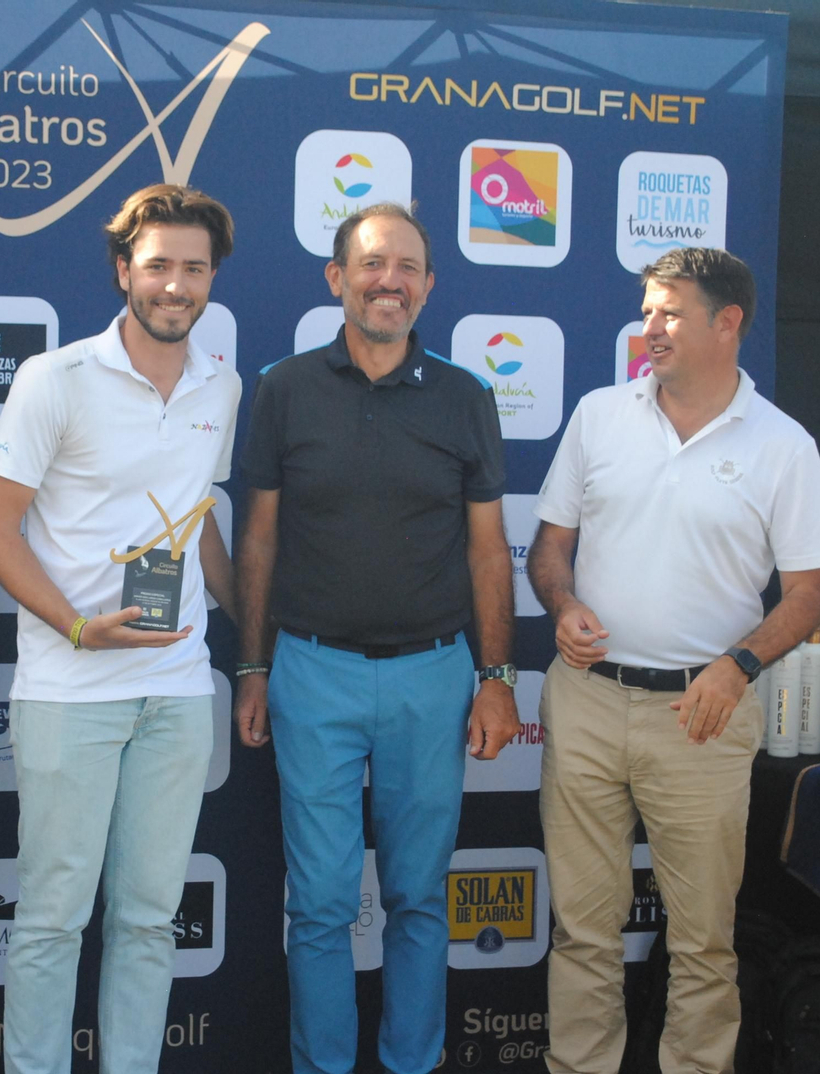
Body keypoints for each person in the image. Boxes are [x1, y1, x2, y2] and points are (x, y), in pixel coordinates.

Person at [527, 247, 820, 1074]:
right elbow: (549, 548)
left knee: (703, 941)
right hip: (588, 699)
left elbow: (808, 595)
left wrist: (736, 666)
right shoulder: (599, 415)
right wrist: (563, 608)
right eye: (648, 309)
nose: (650, 327)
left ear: (727, 322)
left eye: (670, 311)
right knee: (581, 932)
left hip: (702, 717)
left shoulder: (784, 444)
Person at [235, 201, 521, 1074]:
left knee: (419, 901)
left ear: (428, 287)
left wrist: (498, 673)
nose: (387, 280)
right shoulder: (284, 389)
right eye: (370, 264)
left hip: (434, 679)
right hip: (311, 672)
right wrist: (252, 664)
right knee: (318, 905)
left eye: (405, 267)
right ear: (337, 279)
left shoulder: (467, 397)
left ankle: (412, 1063)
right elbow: (259, 539)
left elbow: (486, 548)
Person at [0, 183, 239, 1074]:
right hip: (71, 688)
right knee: (52, 918)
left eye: (194, 269)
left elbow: (192, 516)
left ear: (211, 280)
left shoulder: (221, 382)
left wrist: (248, 622)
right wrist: (79, 628)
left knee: (149, 919)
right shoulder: (56, 378)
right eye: (158, 265)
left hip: (175, 688)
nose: (176, 284)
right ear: (125, 269)